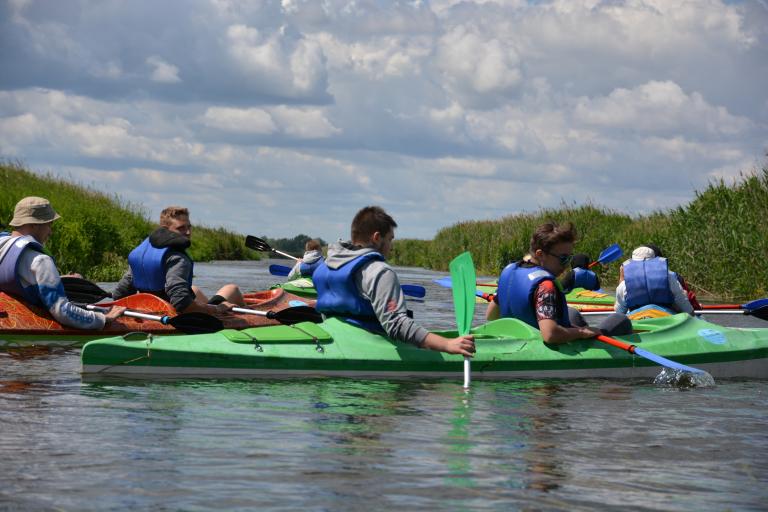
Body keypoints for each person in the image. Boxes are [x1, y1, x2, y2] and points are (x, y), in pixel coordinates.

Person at [312, 206, 475, 357]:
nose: (392, 246)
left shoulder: (326, 265)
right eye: (390, 239)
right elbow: (397, 324)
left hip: (332, 336)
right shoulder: (379, 271)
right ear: (376, 238)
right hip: (370, 345)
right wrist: (447, 344)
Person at [486, 222, 629, 345]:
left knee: (572, 313)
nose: (566, 265)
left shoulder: (509, 271)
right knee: (620, 320)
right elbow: (550, 335)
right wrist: (581, 332)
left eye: (569, 259)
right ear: (540, 254)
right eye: (563, 258)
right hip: (542, 345)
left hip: (516, 339)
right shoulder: (546, 286)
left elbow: (491, 316)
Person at [0, 197, 125, 329]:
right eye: (49, 225)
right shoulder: (41, 260)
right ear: (34, 224)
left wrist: (57, 279)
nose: (51, 231)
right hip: (31, 332)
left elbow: (19, 277)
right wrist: (103, 318)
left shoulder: (2, 245)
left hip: (10, 320)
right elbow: (63, 311)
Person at [112, 206, 244, 315]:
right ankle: (251, 322)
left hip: (152, 310)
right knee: (232, 289)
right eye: (181, 228)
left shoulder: (143, 254)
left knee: (194, 289)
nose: (187, 232)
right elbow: (181, 302)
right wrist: (217, 309)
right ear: (165, 230)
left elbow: (119, 295)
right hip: (179, 315)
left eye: (189, 227)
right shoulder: (177, 257)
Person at [614, 246, 694, 315]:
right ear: (655, 259)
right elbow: (682, 300)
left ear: (633, 261)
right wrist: (691, 314)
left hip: (636, 317)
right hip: (666, 316)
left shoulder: (624, 284)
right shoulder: (669, 277)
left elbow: (619, 312)